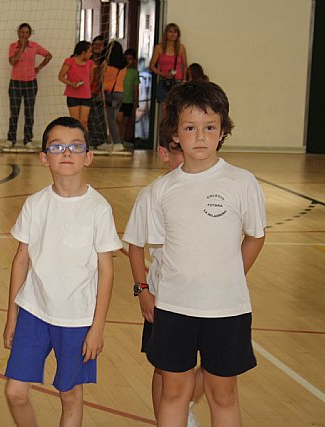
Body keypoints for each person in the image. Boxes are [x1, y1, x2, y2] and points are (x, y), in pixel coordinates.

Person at [145, 80, 266, 427]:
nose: (200, 137)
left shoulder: (242, 182)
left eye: (209, 127)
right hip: (174, 308)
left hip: (227, 310)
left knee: (222, 395)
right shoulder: (162, 190)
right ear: (175, 133)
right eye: (190, 128)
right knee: (174, 394)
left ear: (223, 130)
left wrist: (229, 275)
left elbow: (255, 238)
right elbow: (161, 251)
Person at [3, 116, 121, 427]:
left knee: (69, 394)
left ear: (88, 157)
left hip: (77, 319)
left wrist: (97, 328)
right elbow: (20, 260)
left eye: (75, 146)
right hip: (33, 312)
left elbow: (106, 272)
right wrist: (12, 316)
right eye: (57, 147)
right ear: (44, 158)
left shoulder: (98, 208)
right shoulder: (35, 204)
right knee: (15, 392)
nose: (66, 153)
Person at [123, 136, 203, 427]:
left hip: (206, 297)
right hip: (164, 296)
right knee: (163, 368)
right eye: (178, 150)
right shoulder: (152, 195)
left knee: (211, 363)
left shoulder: (210, 191)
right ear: (163, 153)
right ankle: (167, 420)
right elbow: (134, 246)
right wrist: (143, 290)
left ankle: (186, 406)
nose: (187, 155)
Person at [6, 23, 52, 149]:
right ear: (18, 33)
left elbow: (49, 55)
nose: (24, 35)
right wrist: (20, 49)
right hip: (15, 82)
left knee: (29, 112)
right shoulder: (13, 46)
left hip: (30, 83)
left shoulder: (35, 46)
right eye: (22, 32)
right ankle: (11, 139)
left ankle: (28, 140)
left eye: (27, 32)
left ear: (30, 34)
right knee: (14, 112)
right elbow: (12, 62)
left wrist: (39, 68)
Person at [149, 23, 188, 108]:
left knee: (176, 108)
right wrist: (163, 74)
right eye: (170, 31)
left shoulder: (181, 48)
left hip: (178, 82)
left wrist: (184, 81)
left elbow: (185, 66)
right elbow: (152, 66)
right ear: (166, 34)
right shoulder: (159, 48)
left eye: (175, 32)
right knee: (165, 108)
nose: (173, 34)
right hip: (164, 81)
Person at [98, 40, 127, 152]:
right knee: (110, 118)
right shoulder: (123, 66)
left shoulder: (105, 64)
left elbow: (101, 80)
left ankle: (117, 142)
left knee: (109, 119)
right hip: (120, 93)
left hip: (108, 93)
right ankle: (108, 141)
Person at [58, 41, 93, 130]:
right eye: (90, 51)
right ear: (83, 52)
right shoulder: (69, 61)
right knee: (75, 122)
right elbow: (61, 76)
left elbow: (90, 78)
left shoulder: (90, 63)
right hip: (72, 95)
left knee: (84, 121)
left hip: (86, 96)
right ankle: (76, 142)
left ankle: (85, 142)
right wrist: (71, 84)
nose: (91, 54)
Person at [87, 35, 108, 148]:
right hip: (86, 92)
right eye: (95, 44)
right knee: (88, 119)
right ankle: (90, 141)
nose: (97, 47)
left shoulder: (104, 62)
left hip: (98, 93)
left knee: (98, 118)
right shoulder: (88, 60)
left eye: (100, 45)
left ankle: (100, 141)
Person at [117, 48, 140, 144]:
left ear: (134, 60)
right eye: (126, 58)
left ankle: (121, 141)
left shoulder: (134, 72)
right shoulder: (119, 70)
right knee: (119, 121)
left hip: (129, 101)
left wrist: (136, 101)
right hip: (119, 100)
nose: (128, 61)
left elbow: (136, 88)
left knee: (125, 123)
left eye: (130, 58)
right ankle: (116, 141)